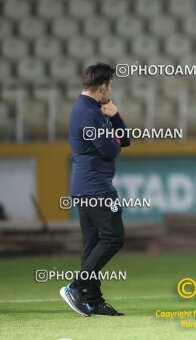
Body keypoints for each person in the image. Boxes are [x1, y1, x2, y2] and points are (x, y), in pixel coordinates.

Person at [60, 63, 130, 316]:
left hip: (86, 185)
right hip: (96, 187)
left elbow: (124, 141)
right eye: (110, 86)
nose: (110, 90)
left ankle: (93, 300)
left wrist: (115, 116)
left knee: (92, 243)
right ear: (102, 87)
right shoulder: (88, 114)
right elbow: (112, 149)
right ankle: (77, 286)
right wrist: (113, 127)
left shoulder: (90, 110)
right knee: (113, 237)